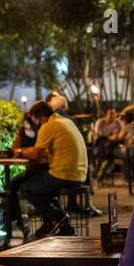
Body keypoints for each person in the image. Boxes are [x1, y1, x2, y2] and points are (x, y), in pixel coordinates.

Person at [16, 100, 88, 237]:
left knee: (25, 188)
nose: (35, 123)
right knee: (44, 189)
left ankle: (58, 217)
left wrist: (19, 152)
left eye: (34, 119)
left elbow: (36, 154)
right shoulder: (66, 121)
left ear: (40, 117)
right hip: (79, 175)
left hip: (63, 175)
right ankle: (63, 225)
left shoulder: (49, 125)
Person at [4, 100, 48, 240]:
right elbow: (15, 148)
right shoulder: (26, 127)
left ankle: (17, 221)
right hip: (34, 167)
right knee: (12, 185)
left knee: (15, 185)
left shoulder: (45, 127)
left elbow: (40, 152)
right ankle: (17, 221)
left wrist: (22, 151)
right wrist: (20, 144)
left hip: (43, 167)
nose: (33, 120)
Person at [91, 106, 124, 180]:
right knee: (109, 154)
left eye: (114, 113)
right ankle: (101, 173)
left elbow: (123, 132)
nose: (113, 115)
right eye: (110, 114)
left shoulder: (118, 122)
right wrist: (110, 138)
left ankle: (101, 173)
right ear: (106, 115)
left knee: (112, 153)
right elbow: (97, 137)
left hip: (114, 145)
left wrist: (117, 136)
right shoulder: (100, 122)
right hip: (101, 145)